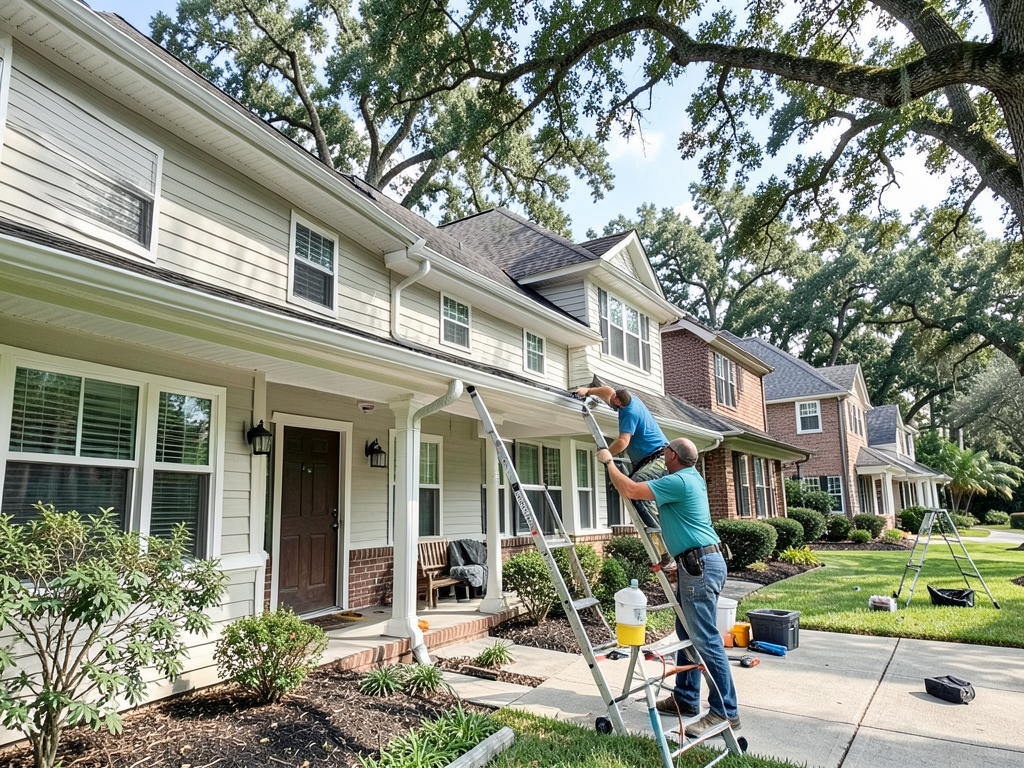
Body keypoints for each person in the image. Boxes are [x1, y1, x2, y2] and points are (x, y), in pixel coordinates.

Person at [597, 437, 740, 737]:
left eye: (666, 452)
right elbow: (682, 524)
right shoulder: (690, 478)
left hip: (699, 567)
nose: (663, 455)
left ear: (673, 455)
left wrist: (609, 461)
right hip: (697, 562)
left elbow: (630, 489)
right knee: (687, 634)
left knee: (706, 640)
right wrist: (672, 558)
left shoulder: (680, 481)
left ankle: (725, 711)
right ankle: (686, 698)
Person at [575, 385, 673, 568]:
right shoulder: (624, 398)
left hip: (658, 459)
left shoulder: (629, 412)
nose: (611, 404)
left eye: (614, 403)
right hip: (646, 461)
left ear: (619, 402)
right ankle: (666, 547)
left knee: (636, 489)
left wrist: (607, 454)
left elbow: (623, 441)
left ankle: (666, 552)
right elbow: (608, 391)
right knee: (635, 491)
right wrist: (587, 390)